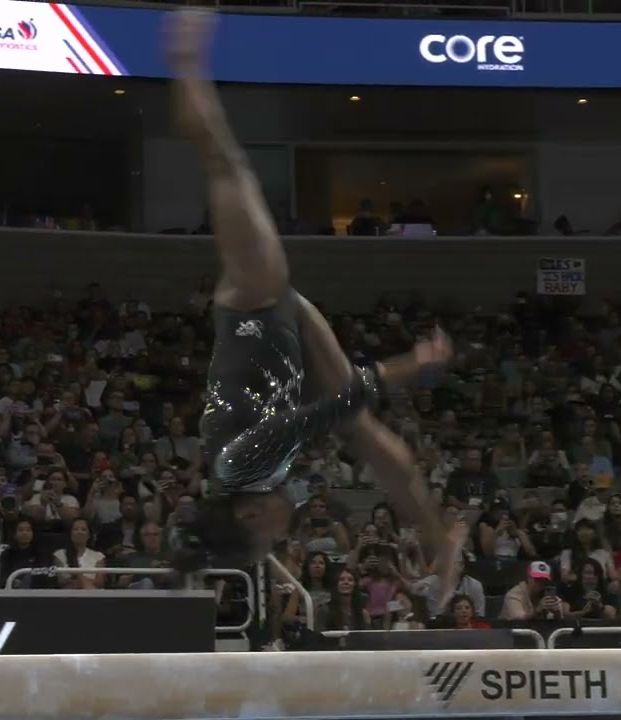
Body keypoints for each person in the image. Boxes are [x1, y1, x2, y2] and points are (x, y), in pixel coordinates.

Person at [168, 10, 451, 569]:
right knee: (362, 432)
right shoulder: (248, 478)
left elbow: (330, 407)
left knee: (225, 163)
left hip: (256, 299)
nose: (284, 535)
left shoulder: (243, 465)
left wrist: (414, 363)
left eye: (271, 539)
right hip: (280, 326)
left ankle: (184, 60)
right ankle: (441, 541)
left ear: (250, 517)